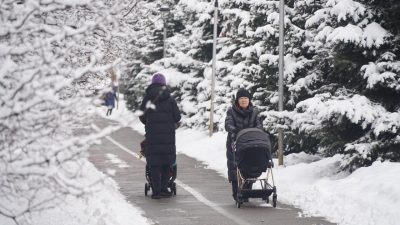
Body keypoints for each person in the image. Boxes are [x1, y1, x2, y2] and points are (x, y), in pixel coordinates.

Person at [139, 73, 181, 199]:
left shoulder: (147, 98)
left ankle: (156, 191)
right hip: (168, 136)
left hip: (152, 136)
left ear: (152, 83)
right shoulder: (170, 99)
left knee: (154, 163)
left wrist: (148, 123)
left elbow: (141, 115)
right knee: (166, 162)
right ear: (164, 84)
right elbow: (177, 117)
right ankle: (164, 189)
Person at [225, 89, 263, 201]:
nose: (244, 100)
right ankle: (236, 192)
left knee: (250, 165)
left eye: (246, 98)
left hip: (251, 143)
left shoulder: (255, 111)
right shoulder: (231, 111)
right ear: (238, 100)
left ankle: (248, 189)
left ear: (249, 100)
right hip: (235, 142)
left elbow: (260, 125)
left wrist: (253, 132)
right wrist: (236, 131)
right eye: (241, 98)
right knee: (234, 166)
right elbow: (228, 124)